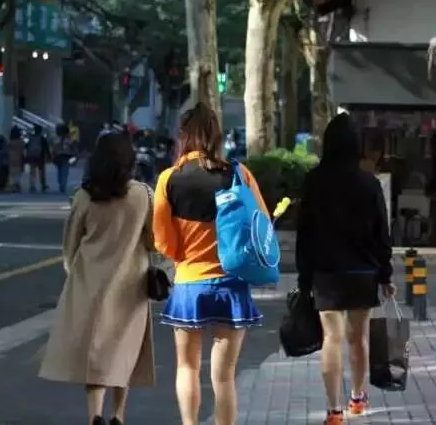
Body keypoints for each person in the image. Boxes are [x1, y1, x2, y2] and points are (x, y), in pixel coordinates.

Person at [153, 103, 266, 425]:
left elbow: (163, 241)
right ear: (217, 135)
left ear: (183, 136)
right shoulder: (239, 174)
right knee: (225, 376)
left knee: (187, 367)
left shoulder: (169, 179)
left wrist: (184, 254)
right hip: (232, 285)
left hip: (189, 283)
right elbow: (262, 223)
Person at [39, 132, 156, 425]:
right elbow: (154, 241)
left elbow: (70, 246)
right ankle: (119, 415)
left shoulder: (84, 196)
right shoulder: (143, 195)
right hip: (131, 285)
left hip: (90, 283)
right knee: (124, 350)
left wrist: (75, 272)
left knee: (96, 352)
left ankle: (95, 416)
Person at [295, 113, 395, 425]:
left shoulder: (314, 181)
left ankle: (333, 410)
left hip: (326, 272)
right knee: (358, 338)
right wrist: (385, 274)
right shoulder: (369, 183)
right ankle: (358, 398)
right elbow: (382, 233)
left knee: (332, 339)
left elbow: (304, 233)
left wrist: (304, 277)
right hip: (362, 272)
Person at [25, 124, 50, 192]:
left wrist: (27, 155)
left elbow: (26, 146)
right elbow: (46, 148)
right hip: (40, 156)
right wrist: (49, 156)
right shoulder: (42, 138)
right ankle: (43, 185)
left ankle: (32, 185)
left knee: (32, 171)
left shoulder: (31, 138)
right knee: (42, 171)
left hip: (32, 156)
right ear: (40, 131)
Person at [50, 123, 75, 193]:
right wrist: (75, 153)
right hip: (66, 156)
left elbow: (53, 147)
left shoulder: (55, 138)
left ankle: (61, 182)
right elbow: (72, 146)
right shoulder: (68, 138)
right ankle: (63, 184)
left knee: (59, 170)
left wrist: (52, 155)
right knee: (65, 171)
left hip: (58, 156)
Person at [7, 126, 25, 192]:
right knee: (18, 172)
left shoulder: (10, 142)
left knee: (12, 172)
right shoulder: (21, 142)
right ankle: (17, 184)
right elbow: (23, 150)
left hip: (11, 157)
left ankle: (12, 185)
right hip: (19, 157)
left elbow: (8, 149)